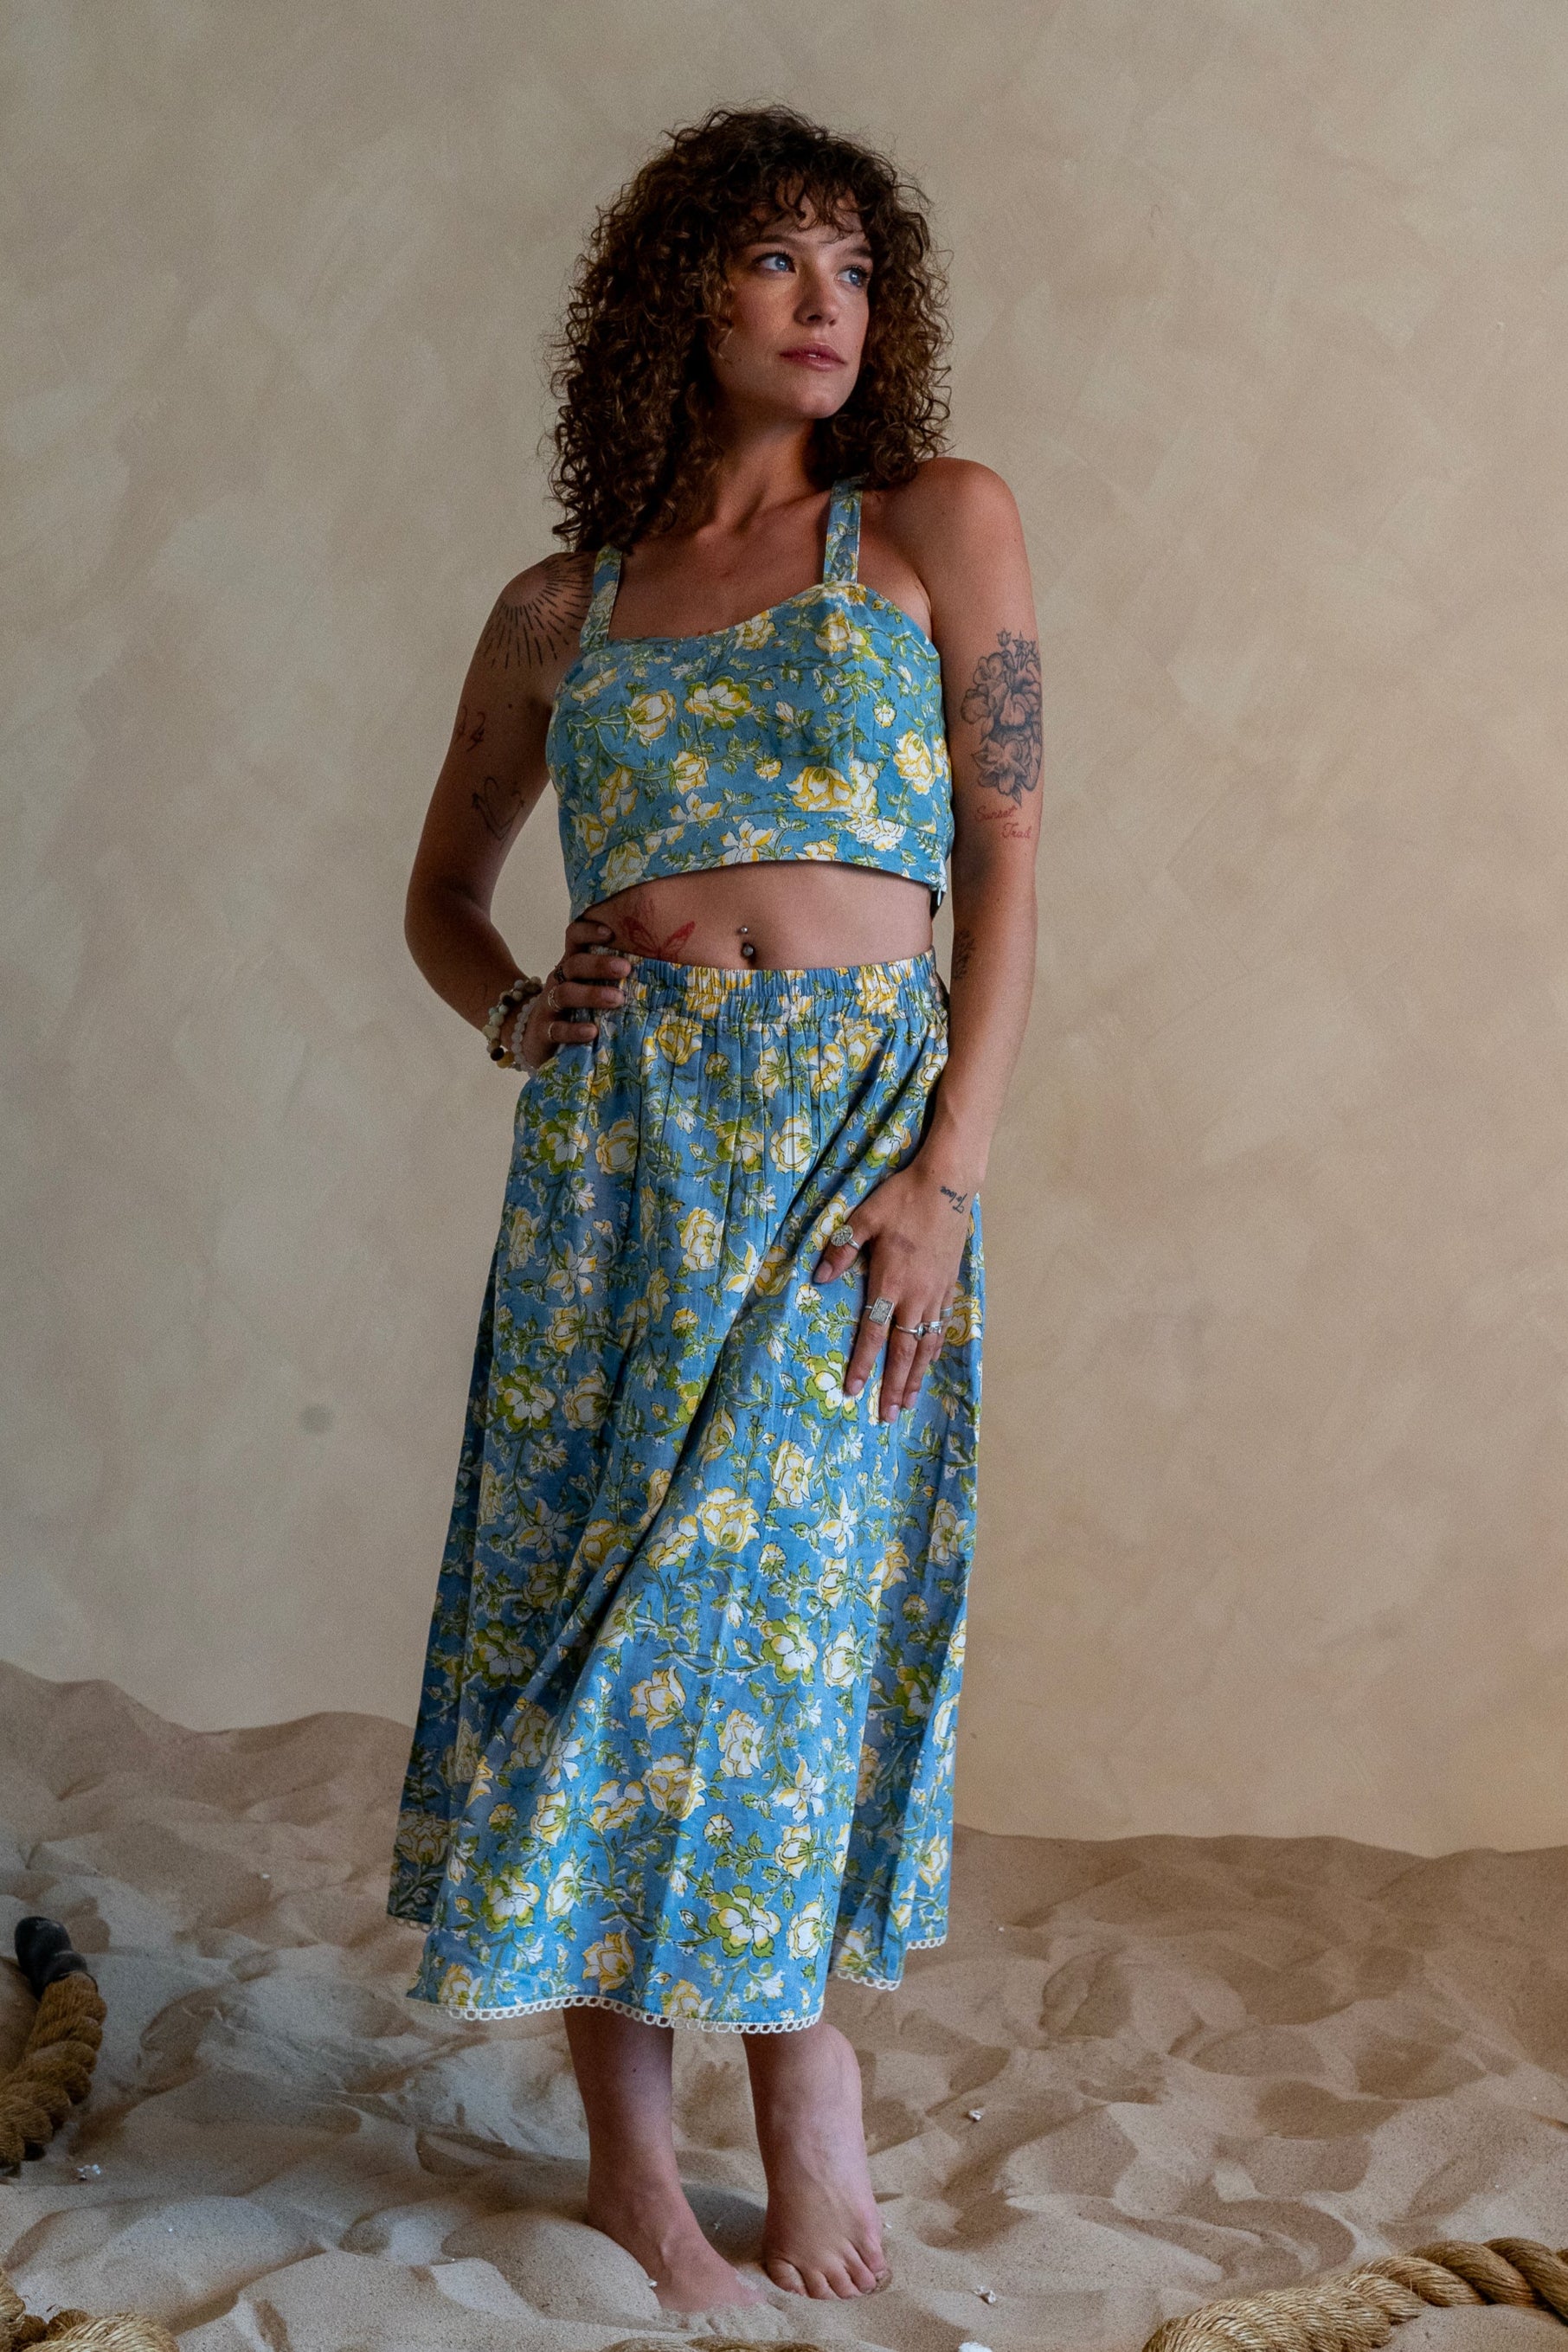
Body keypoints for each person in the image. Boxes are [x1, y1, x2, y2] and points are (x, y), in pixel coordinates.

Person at [387, 102, 1040, 2312]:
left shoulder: (935, 525)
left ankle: (803, 2073)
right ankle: (632, 2157)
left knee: (769, 1620)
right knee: (599, 1613)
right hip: (621, 1160)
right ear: (682, 294)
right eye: (777, 259)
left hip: (852, 1151)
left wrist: (948, 1179)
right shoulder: (558, 607)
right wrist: (516, 1014)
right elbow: (444, 893)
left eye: (855, 266)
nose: (826, 302)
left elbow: (1012, 863)